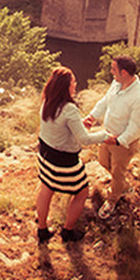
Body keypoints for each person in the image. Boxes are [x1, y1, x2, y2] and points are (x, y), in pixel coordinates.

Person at [36, 66, 118, 244]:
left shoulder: (47, 101)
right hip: (63, 162)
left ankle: (42, 230)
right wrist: (104, 135)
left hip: (45, 156)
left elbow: (57, 126)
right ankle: (67, 231)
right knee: (81, 193)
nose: (75, 85)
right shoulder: (69, 109)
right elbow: (84, 140)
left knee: (46, 189)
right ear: (66, 86)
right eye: (73, 82)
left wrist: (79, 124)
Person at [83, 55, 140, 219]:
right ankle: (123, 186)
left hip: (122, 142)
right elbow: (105, 102)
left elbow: (136, 127)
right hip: (107, 134)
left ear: (124, 73)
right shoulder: (117, 83)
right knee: (102, 161)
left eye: (114, 69)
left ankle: (112, 201)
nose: (111, 72)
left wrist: (118, 140)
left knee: (117, 172)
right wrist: (92, 117)